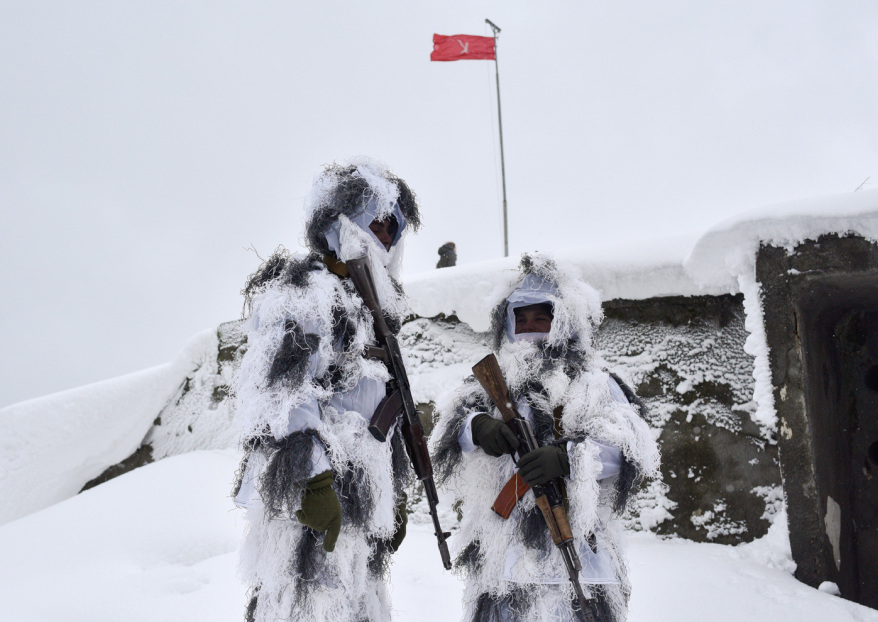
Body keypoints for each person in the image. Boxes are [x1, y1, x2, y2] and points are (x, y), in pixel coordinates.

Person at [231, 159, 421, 622]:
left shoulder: (375, 315)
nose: (384, 237)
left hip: (361, 500)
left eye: (392, 228)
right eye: (373, 221)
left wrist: (391, 494)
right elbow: (278, 396)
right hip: (312, 499)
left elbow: (384, 411)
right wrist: (311, 479)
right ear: (339, 222)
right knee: (304, 604)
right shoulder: (304, 294)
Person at [430, 253, 659, 622]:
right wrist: (478, 427)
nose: (531, 326)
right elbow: (447, 427)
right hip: (504, 555)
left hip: (579, 550)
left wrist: (568, 458)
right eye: (521, 318)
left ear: (564, 320)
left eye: (542, 316)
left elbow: (629, 446)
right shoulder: (489, 384)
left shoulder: (596, 383)